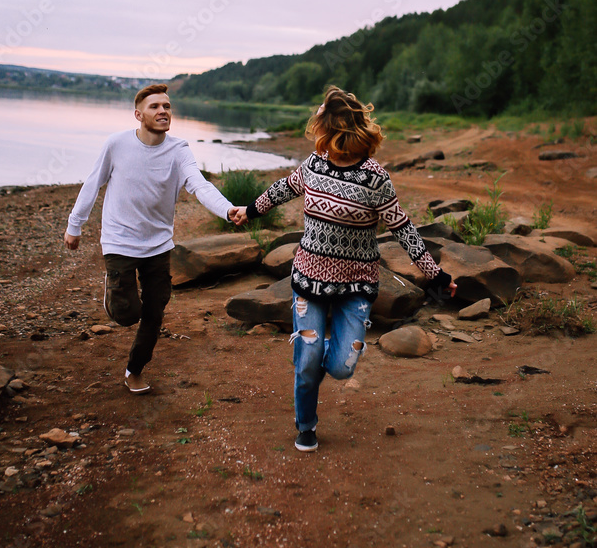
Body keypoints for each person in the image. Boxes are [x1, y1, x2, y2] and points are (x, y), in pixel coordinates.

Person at [230, 85, 456, 452]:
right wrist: (249, 209)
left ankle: (316, 354)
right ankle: (306, 425)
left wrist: (436, 274)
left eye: (320, 119)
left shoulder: (374, 177)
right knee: (306, 364)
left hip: (356, 284)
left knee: (342, 367)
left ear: (334, 128)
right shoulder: (313, 165)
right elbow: (282, 190)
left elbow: (402, 227)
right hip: (308, 279)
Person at [63, 83, 240, 395]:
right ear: (138, 114)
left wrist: (227, 210)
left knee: (156, 309)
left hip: (158, 245)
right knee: (127, 313)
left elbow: (199, 185)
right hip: (119, 241)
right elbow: (93, 183)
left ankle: (135, 369)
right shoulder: (116, 144)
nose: (163, 111)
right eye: (155, 106)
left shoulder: (179, 149)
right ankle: (114, 291)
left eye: (167, 106)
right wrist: (74, 225)